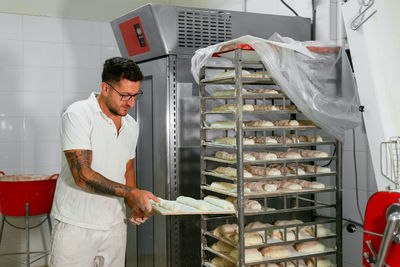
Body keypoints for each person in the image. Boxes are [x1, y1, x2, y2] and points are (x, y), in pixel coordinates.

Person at [50, 57, 159, 267]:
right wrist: (131, 193)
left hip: (115, 225)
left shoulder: (131, 124)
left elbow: (126, 168)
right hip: (76, 226)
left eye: (135, 95)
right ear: (105, 88)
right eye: (125, 95)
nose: (131, 102)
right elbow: (82, 175)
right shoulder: (78, 114)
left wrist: (133, 202)